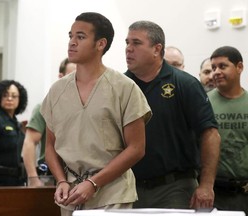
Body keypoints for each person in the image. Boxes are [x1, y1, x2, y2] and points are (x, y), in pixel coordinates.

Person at [40, 12, 151, 216]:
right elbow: (50, 145)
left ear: (100, 44)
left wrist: (93, 182)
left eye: (80, 37)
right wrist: (61, 180)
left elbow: (136, 148)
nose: (72, 42)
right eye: (70, 36)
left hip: (113, 194)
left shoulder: (125, 88)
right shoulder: (57, 90)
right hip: (71, 193)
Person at [125, 20, 221, 209]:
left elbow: (210, 135)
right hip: (128, 187)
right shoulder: (121, 86)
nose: (128, 49)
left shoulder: (185, 84)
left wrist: (207, 185)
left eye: (136, 43)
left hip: (174, 187)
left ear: (156, 49)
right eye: (127, 43)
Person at [22, 58, 76, 187]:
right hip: (51, 175)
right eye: (71, 75)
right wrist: (33, 178)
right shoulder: (45, 107)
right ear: (60, 77)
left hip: (79, 174)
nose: (75, 80)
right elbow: (30, 142)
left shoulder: (87, 107)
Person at [208, 46, 248, 214]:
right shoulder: (204, 102)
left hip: (243, 191)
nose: (216, 72)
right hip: (213, 191)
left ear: (239, 67)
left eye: (222, 66)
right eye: (213, 68)